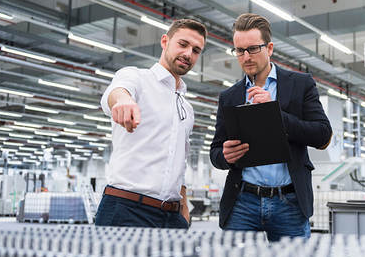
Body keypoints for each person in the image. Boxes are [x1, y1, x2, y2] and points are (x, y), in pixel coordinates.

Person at [210, 13, 332, 241]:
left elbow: (322, 135)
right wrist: (225, 156)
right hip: (242, 202)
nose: (246, 57)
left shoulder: (300, 84)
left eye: (253, 49)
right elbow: (215, 152)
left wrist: (275, 113)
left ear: (270, 48)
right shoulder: (229, 96)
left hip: (290, 202)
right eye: (239, 51)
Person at [95, 18, 206, 228]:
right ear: (165, 41)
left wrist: (183, 204)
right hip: (126, 209)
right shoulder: (137, 78)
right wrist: (123, 100)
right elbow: (117, 90)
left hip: (171, 217)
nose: (188, 54)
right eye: (182, 44)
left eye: (196, 50)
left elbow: (178, 160)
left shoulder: (186, 108)